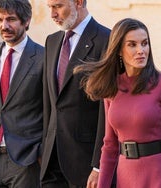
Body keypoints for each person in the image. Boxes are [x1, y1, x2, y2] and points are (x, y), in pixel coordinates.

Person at [75, 18, 161, 188]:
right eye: (132, 45)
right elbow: (110, 145)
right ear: (119, 50)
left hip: (158, 176)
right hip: (126, 176)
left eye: (144, 43)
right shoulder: (112, 87)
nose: (141, 50)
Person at [40, 0, 110, 187]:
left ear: (78, 2)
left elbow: (107, 110)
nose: (53, 14)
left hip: (85, 163)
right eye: (50, 8)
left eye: (58, 6)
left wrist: (99, 165)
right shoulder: (52, 41)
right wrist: (44, 149)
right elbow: (50, 102)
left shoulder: (107, 40)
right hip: (52, 164)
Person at [0, 0, 44, 187]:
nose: (4, 26)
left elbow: (50, 110)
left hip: (26, 161)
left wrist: (41, 153)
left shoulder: (43, 58)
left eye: (11, 19)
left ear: (26, 21)